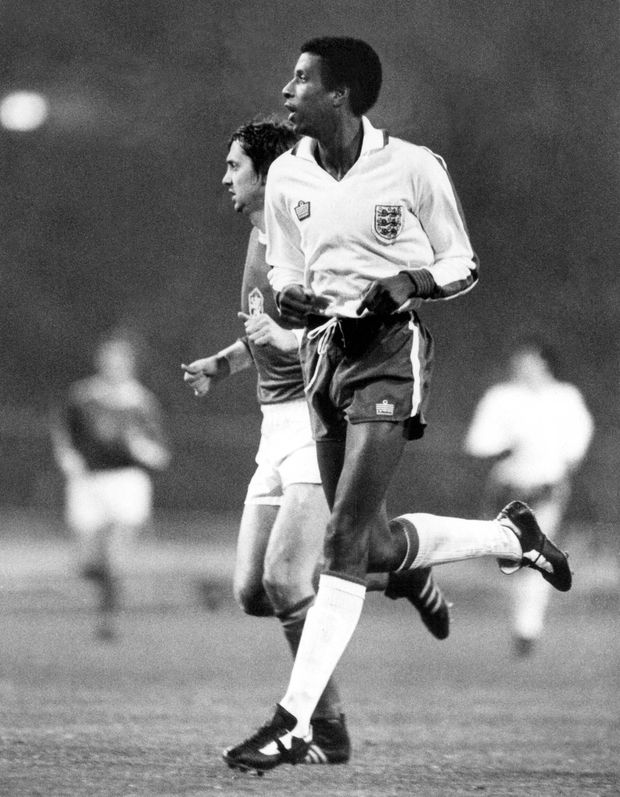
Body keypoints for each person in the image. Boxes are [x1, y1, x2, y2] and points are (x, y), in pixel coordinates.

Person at [223, 37, 574, 774]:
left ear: (342, 93)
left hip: (388, 354)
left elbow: (461, 262)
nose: (287, 91)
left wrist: (410, 282)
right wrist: (292, 292)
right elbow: (285, 262)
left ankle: (295, 724)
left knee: (341, 541)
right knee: (374, 547)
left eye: (302, 79)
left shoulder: (413, 167)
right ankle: (510, 537)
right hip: (325, 356)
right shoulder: (288, 174)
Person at [182, 119, 451, 766]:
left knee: (286, 577)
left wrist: (289, 341)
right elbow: (269, 329)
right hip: (273, 428)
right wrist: (227, 362)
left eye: (234, 166)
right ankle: (398, 569)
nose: (225, 177)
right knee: (253, 590)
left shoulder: (314, 233)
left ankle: (323, 730)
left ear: (269, 174)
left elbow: (349, 322)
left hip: (316, 416)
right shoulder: (262, 238)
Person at [464, 336, 594, 655]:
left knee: (534, 555)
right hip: (507, 489)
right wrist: (506, 446)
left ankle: (527, 628)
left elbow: (577, 441)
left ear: (544, 362)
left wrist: (563, 465)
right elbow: (478, 442)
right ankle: (523, 620)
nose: (522, 366)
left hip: (546, 488)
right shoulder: (501, 397)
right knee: (511, 558)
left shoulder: (565, 398)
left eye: (529, 360)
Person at [51, 332, 170, 640]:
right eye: (109, 360)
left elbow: (159, 453)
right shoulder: (82, 396)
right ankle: (107, 597)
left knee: (116, 558)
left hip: (127, 482)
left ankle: (108, 620)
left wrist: (143, 449)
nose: (113, 366)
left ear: (130, 365)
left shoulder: (141, 402)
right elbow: (63, 433)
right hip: (88, 482)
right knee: (87, 562)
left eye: (120, 361)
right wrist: (68, 458)